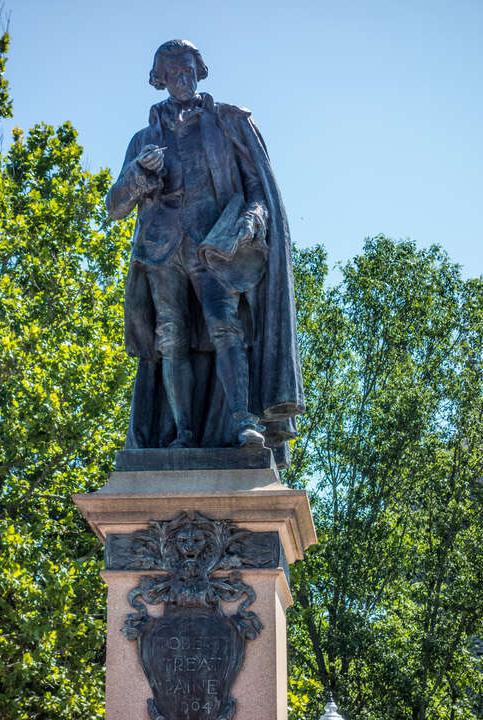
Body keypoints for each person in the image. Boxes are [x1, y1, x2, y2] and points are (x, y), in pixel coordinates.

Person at [107, 40, 304, 464]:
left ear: (200, 71)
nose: (183, 78)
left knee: (225, 327)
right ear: (159, 79)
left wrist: (253, 220)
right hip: (161, 249)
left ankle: (242, 420)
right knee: (171, 338)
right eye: (173, 72)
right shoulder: (145, 139)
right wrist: (140, 173)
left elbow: (258, 189)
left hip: (213, 246)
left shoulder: (227, 124)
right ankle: (182, 435)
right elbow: (115, 206)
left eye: (189, 70)